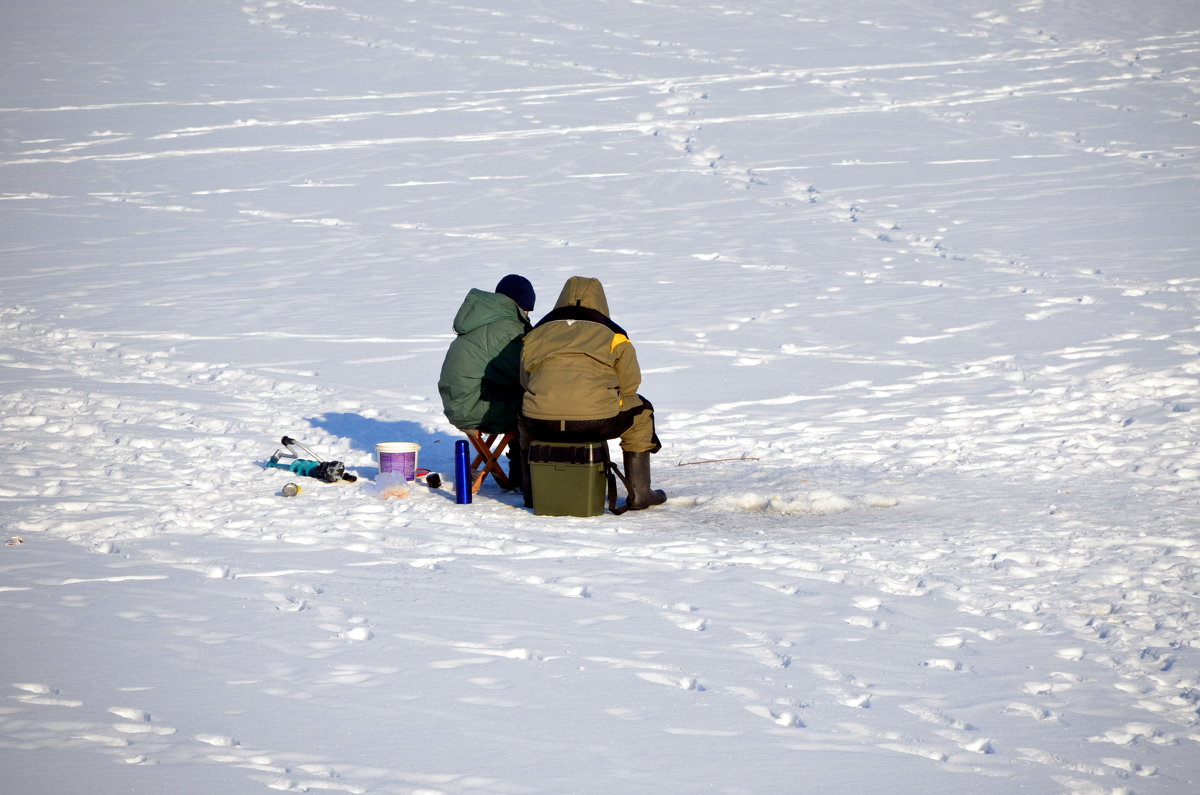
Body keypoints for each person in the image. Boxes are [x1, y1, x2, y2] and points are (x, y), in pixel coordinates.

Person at [519, 276, 666, 510]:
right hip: (597, 422)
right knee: (642, 412)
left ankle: (532, 493)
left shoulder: (536, 335)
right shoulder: (614, 336)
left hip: (541, 423)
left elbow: (526, 382)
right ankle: (639, 493)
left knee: (523, 416)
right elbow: (630, 385)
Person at [438, 274, 535, 485]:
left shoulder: (485, 320)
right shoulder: (507, 329)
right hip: (472, 407)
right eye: (528, 309)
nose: (528, 315)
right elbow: (524, 373)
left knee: (525, 400)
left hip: (460, 401)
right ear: (521, 305)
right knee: (536, 409)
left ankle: (518, 471)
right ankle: (525, 475)